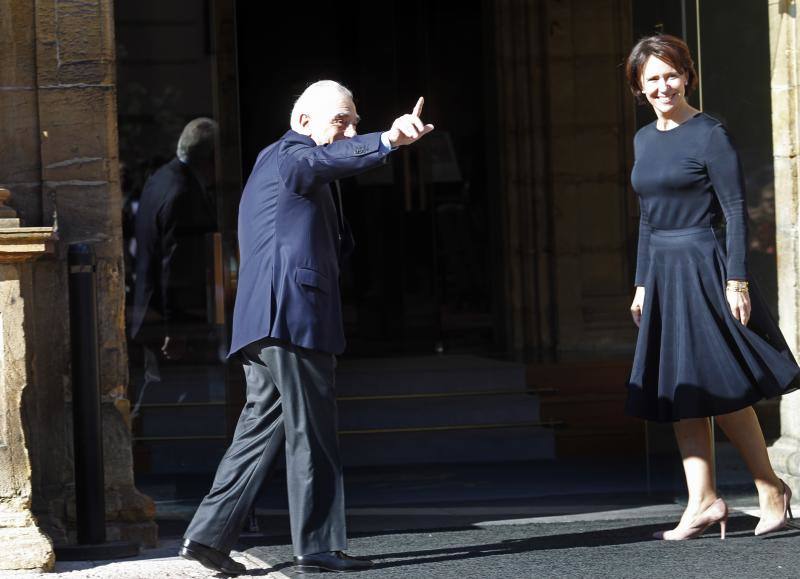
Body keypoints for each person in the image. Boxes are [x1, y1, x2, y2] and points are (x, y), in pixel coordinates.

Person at [179, 80, 434, 575]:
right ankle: (316, 546)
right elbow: (320, 164)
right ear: (303, 122)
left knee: (258, 432)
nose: (350, 129)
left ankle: (207, 537)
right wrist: (387, 139)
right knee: (312, 432)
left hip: (267, 322)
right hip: (291, 316)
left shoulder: (289, 162)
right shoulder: (289, 155)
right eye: (341, 120)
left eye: (356, 121)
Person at [625, 34, 800, 541]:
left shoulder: (709, 134)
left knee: (720, 388)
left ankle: (770, 487)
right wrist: (640, 284)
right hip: (662, 271)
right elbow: (646, 220)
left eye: (671, 75)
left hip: (705, 264)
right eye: (652, 78)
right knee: (681, 388)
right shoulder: (643, 140)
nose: (663, 86)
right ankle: (702, 500)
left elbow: (735, 215)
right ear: (639, 85)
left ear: (687, 76)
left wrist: (737, 279)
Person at [130, 118, 219, 412]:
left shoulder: (161, 178)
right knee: (183, 407)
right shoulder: (183, 192)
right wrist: (176, 327)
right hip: (174, 317)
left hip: (154, 309)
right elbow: (176, 265)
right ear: (210, 158)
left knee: (159, 396)